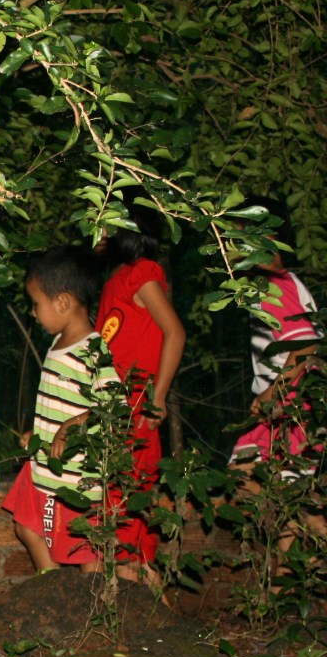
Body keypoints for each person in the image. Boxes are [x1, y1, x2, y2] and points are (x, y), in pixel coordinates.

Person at [4, 246, 120, 572]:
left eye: (35, 304)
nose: (33, 312)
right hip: (43, 466)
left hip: (73, 477)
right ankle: (52, 590)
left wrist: (72, 427)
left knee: (83, 548)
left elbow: (115, 405)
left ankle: (85, 606)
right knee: (27, 526)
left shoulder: (93, 350)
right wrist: (38, 432)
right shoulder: (58, 344)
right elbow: (58, 400)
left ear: (62, 303)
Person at [95, 203, 186, 572]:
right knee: (116, 502)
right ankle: (138, 603)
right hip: (114, 412)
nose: (97, 236)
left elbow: (175, 332)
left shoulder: (142, 273)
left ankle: (140, 595)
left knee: (128, 501)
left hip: (138, 410)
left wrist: (157, 398)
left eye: (104, 228)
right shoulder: (114, 280)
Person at [230, 197, 323, 475]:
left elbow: (306, 347)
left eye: (237, 234)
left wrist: (273, 392)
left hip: (290, 410)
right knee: (246, 482)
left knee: (250, 484)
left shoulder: (273, 286)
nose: (230, 245)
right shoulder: (282, 282)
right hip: (285, 407)